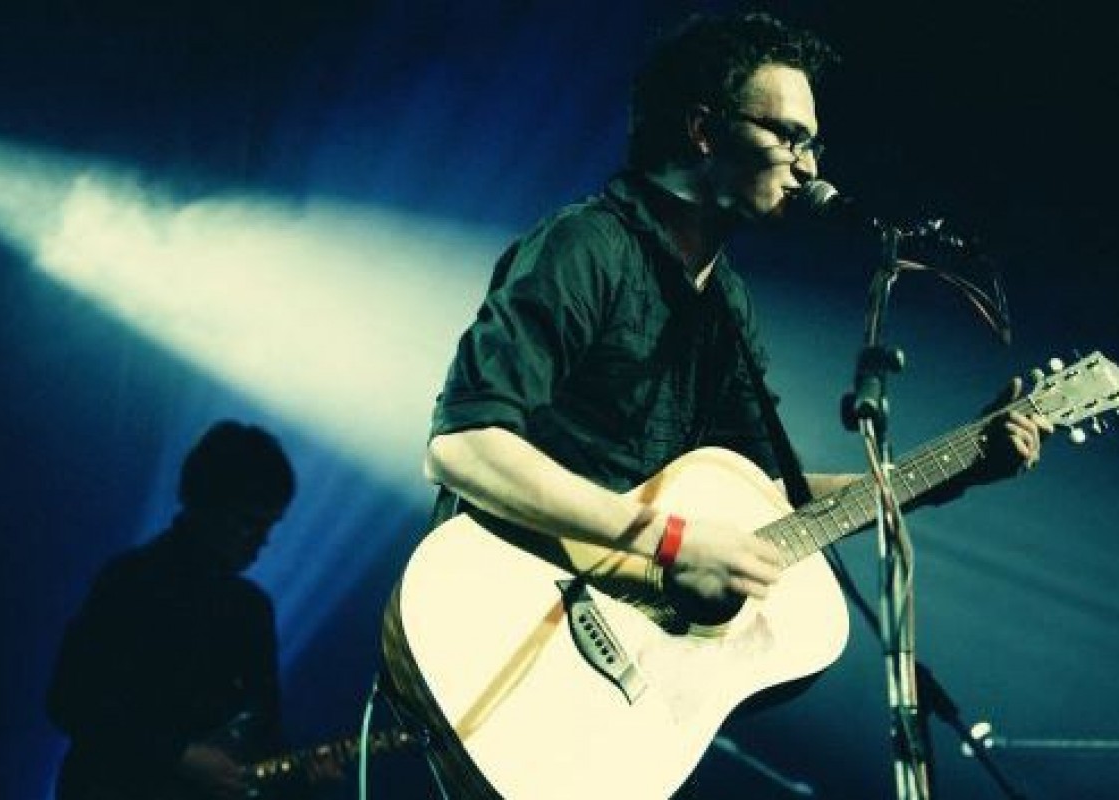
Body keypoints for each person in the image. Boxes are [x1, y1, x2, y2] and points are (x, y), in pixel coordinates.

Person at [392, 9, 1051, 798]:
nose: (811, 167)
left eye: (814, 144)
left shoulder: (725, 305)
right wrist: (671, 540)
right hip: (500, 623)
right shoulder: (586, 248)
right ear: (704, 131)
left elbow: (775, 501)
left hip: (603, 680)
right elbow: (463, 445)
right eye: (789, 136)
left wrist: (963, 467)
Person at [47, 420, 296, 800]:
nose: (263, 540)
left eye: (269, 525)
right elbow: (70, 700)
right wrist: (178, 756)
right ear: (210, 504)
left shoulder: (251, 609)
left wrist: (299, 777)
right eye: (250, 522)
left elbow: (264, 729)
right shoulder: (130, 583)